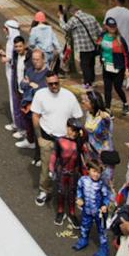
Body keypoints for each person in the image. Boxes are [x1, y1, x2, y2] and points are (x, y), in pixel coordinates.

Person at [30, 71, 81, 208]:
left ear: (60, 81)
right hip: (47, 138)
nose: (54, 86)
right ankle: (44, 191)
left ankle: (69, 195)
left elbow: (77, 117)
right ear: (46, 84)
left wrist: (74, 138)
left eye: (56, 83)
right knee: (46, 168)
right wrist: (39, 137)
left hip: (66, 141)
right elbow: (35, 116)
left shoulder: (69, 96)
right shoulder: (40, 95)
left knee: (68, 169)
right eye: (50, 84)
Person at [60, 4, 102, 91]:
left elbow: (65, 28)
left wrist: (60, 18)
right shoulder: (91, 17)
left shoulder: (74, 19)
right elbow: (100, 31)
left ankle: (87, 83)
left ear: (72, 12)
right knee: (91, 64)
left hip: (83, 47)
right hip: (93, 45)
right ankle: (92, 80)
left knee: (85, 65)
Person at [99, 15, 129, 115]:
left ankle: (125, 104)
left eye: (114, 26)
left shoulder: (120, 39)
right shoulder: (102, 36)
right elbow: (99, 47)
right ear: (106, 26)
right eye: (110, 26)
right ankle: (107, 109)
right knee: (107, 88)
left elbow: (126, 55)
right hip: (106, 66)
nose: (112, 28)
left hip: (118, 67)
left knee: (118, 87)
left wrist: (127, 69)